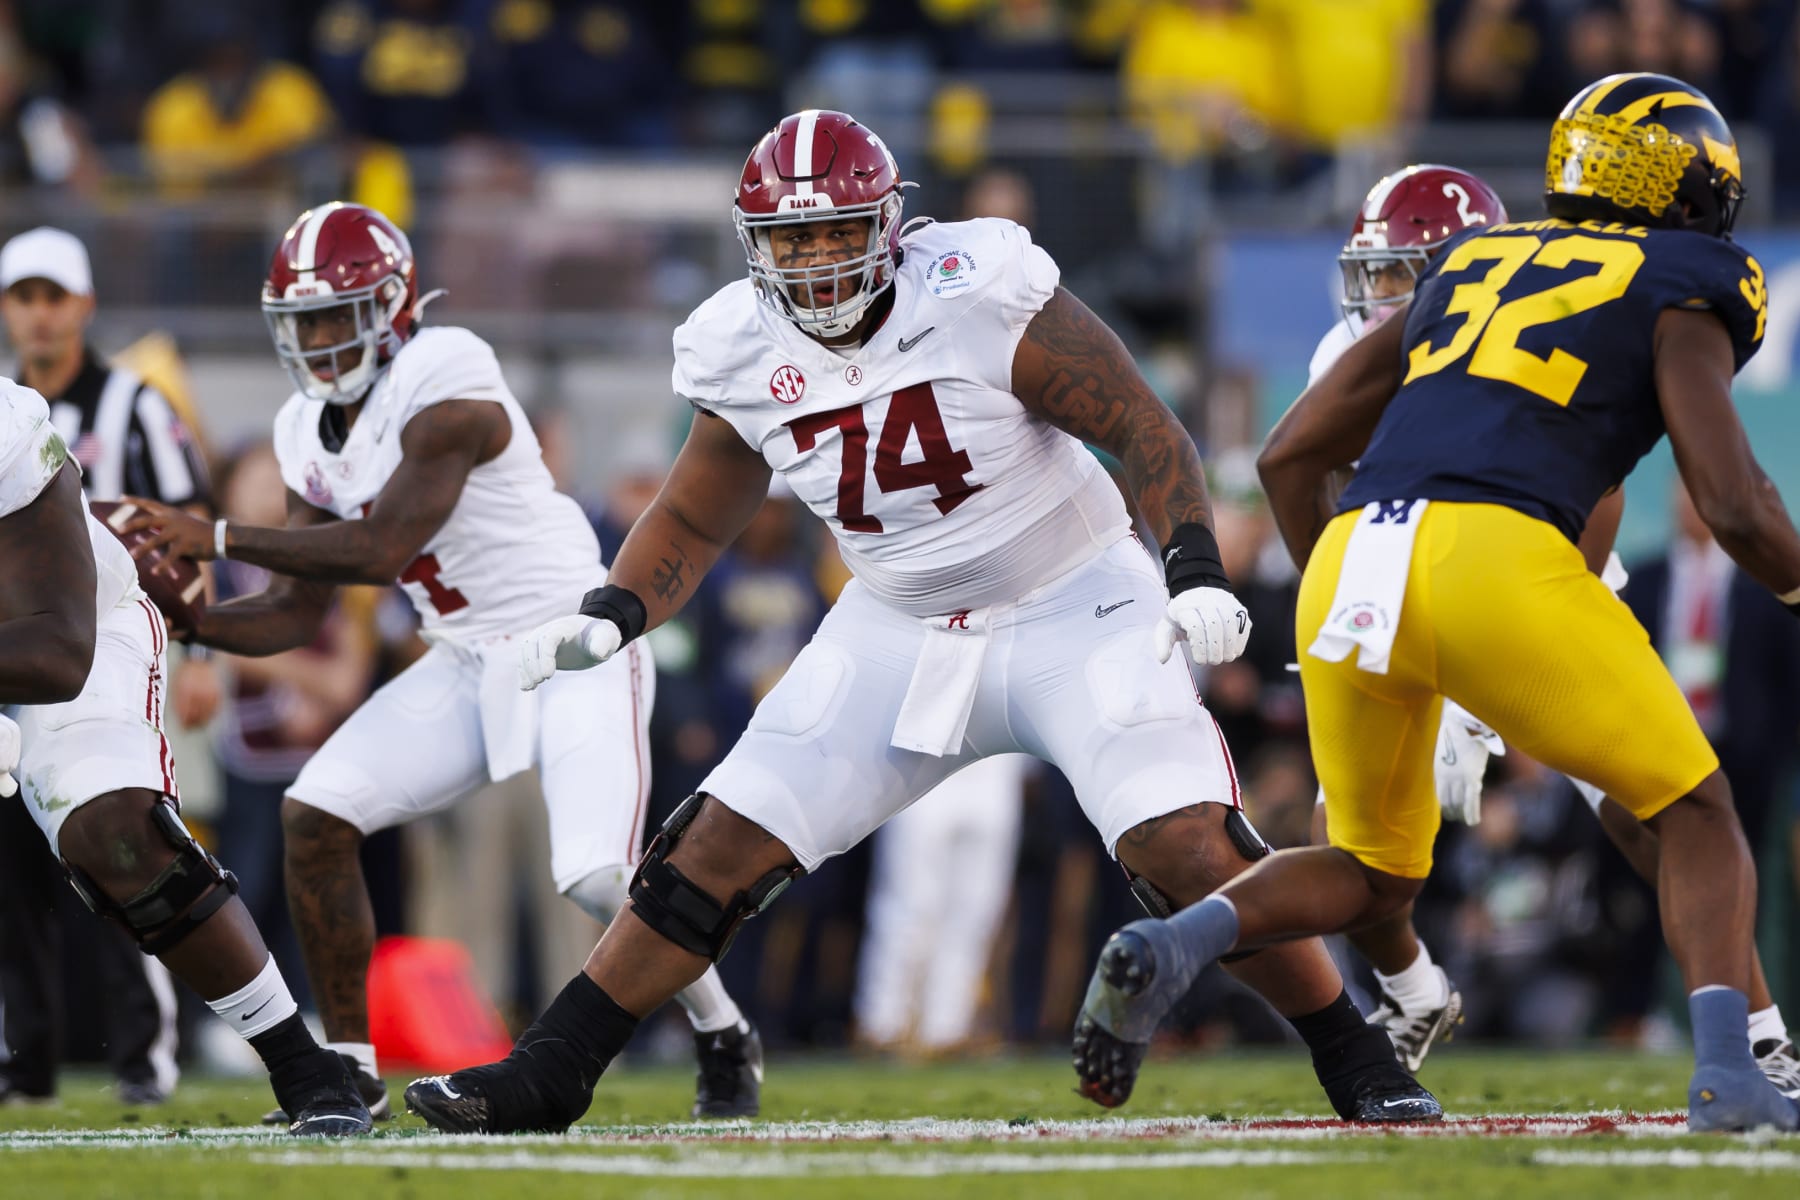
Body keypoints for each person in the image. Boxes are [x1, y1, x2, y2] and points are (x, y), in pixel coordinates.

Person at [401, 108, 1438, 1134]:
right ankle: (553, 1070)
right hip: (895, 623)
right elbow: (692, 512)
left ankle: (1357, 1058)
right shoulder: (737, 344)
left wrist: (1195, 569)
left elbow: (1140, 424)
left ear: (889, 226)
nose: (815, 260)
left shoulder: (974, 289)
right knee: (709, 848)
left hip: (1074, 598)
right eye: (792, 239)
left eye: (836, 232)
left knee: (1188, 847)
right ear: (755, 246)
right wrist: (613, 612)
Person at [1077, 73, 1800, 1132]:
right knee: (1693, 811)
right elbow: (1732, 500)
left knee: (1371, 872)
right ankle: (1735, 1070)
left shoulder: (1471, 260)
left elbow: (1288, 456)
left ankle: (1176, 939)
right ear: (1693, 190)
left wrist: (1347, 602)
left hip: (1356, 555)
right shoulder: (1689, 277)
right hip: (1501, 553)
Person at [123, 202, 761, 1121]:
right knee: (316, 813)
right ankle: (348, 1071)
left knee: (596, 878)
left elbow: (382, 546)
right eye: (304, 322)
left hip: (570, 642)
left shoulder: (447, 368)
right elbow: (296, 612)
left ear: (395, 306)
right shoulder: (304, 427)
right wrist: (184, 622)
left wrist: (216, 535)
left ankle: (722, 1029)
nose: (321, 340)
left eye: (338, 317)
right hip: (464, 659)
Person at [1311, 165, 1800, 1094]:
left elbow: (1599, 493)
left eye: (1403, 271)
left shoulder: (1531, 313)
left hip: (1545, 566)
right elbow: (1323, 493)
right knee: (1345, 821)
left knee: (1650, 810)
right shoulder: (1353, 350)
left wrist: (1487, 689)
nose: (1383, 293)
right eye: (1376, 272)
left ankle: (1762, 1035)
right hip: (1409, 581)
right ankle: (1410, 987)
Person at [0, 377, 368, 1134]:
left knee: (117, 831)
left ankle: (305, 1068)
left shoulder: (7, 430)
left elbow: (59, 652)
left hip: (77, 633)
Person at [0, 225, 219, 1107]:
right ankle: (26, 1059)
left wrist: (200, 652)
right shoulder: (6, 409)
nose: (39, 316)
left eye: (53, 297)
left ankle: (143, 1055)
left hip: (114, 652)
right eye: (24, 298)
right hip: (19, 658)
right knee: (13, 865)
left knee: (119, 843)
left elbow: (186, 529)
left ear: (84, 306)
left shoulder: (136, 404)